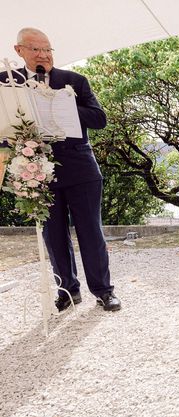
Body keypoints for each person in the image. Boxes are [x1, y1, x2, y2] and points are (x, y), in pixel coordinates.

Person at [6, 27, 121, 312]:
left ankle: (104, 291)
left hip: (80, 166)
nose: (44, 54)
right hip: (36, 170)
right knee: (52, 234)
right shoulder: (6, 82)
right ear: (19, 50)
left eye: (48, 49)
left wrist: (58, 101)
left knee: (90, 231)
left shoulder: (74, 81)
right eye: (36, 49)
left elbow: (99, 119)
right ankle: (67, 290)